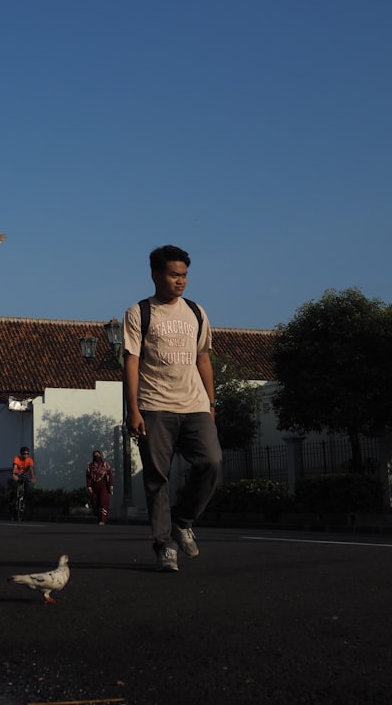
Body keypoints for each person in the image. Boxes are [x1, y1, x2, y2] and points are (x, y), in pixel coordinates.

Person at [123, 244, 222, 572]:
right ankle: (164, 544)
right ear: (155, 275)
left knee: (211, 461)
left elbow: (203, 358)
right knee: (157, 478)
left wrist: (211, 402)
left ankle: (183, 521)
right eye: (173, 275)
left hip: (195, 404)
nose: (180, 281)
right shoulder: (140, 313)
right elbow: (132, 361)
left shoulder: (196, 311)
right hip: (155, 405)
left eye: (184, 275)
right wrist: (133, 410)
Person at [85, 449, 114, 525]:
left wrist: (111, 485)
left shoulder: (105, 465)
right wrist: (89, 486)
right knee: (95, 502)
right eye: (95, 455)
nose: (96, 456)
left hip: (103, 487)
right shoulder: (90, 466)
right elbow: (88, 477)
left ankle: (103, 519)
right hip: (94, 487)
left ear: (100, 455)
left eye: (98, 455)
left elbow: (109, 475)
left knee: (103, 501)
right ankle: (98, 516)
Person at [10, 446, 36, 520]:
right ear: (21, 454)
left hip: (24, 477)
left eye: (27, 454)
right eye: (24, 454)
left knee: (28, 491)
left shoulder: (30, 460)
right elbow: (15, 468)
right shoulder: (17, 458)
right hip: (17, 475)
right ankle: (12, 504)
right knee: (14, 490)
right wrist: (14, 475)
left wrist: (33, 478)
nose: (26, 455)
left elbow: (31, 470)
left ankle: (25, 505)